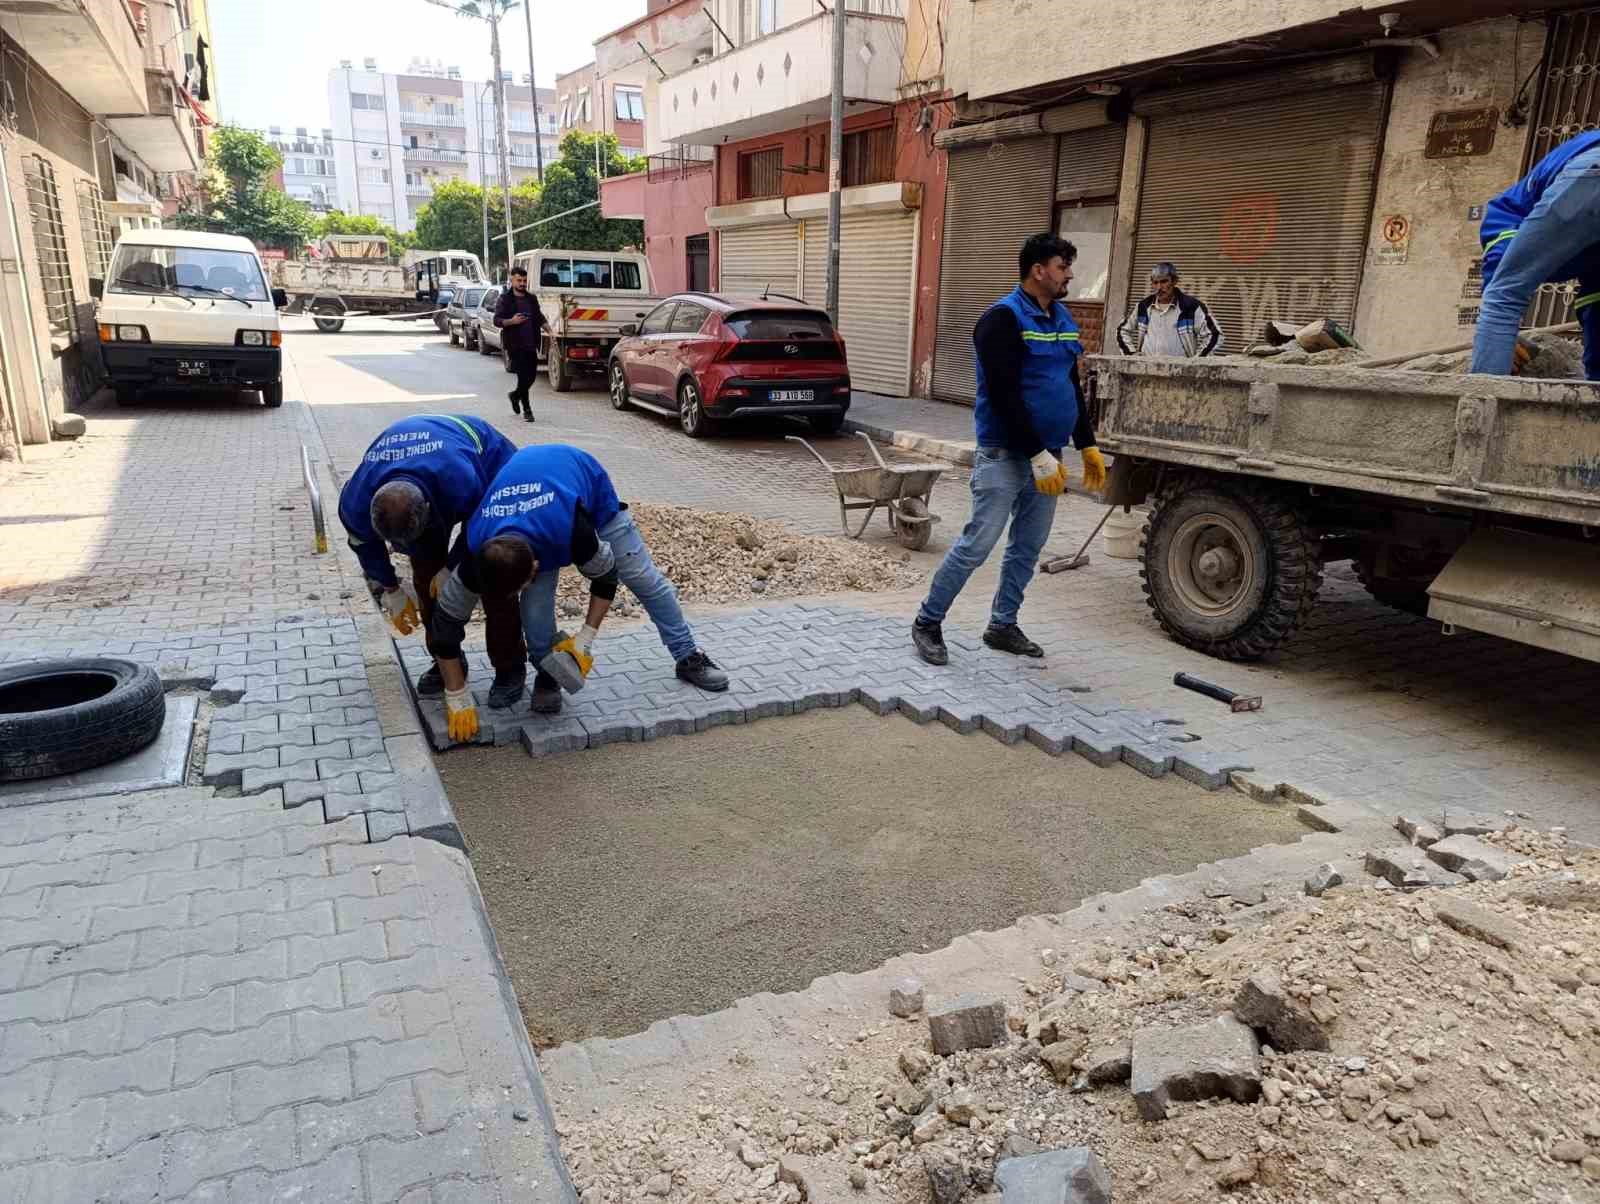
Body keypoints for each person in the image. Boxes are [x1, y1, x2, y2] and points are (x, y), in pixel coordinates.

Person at [426, 444, 729, 741]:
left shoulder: (573, 531)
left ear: (534, 565)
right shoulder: (478, 548)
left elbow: (607, 576)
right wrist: (456, 693)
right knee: (534, 612)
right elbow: (445, 627)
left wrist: (585, 639)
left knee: (643, 579)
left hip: (585, 492)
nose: (527, 588)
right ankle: (549, 673)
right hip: (532, 508)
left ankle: (688, 655)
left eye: (526, 581)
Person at [910, 233, 1107, 666]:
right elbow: (1002, 394)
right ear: (1038, 270)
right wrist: (1036, 454)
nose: (1069, 274)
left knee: (1028, 547)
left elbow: (1069, 385)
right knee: (977, 545)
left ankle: (1002, 624)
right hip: (1005, 454)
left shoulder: (1061, 318)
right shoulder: (1001, 319)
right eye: (1062, 266)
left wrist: (1087, 445)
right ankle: (927, 621)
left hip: (1049, 456)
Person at [337, 414, 528, 709]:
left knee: (494, 575)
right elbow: (363, 543)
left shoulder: (460, 479)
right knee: (426, 582)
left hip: (490, 466)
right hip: (429, 477)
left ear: (427, 509)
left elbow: (481, 525)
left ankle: (509, 669)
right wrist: (390, 587)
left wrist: (453, 565)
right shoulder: (356, 500)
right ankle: (446, 661)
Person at [1471, 129, 1600, 379]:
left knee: (1504, 295)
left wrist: (1499, 333)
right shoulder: (1513, 210)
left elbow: (1503, 277)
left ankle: (1481, 405)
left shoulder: (1514, 206)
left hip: (1589, 177)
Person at [1116, 261, 1223, 357]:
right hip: (1146, 372)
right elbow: (1122, 330)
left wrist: (1196, 362)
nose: (1159, 287)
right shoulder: (1143, 307)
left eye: (1164, 282)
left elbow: (1215, 334)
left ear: (1174, 281)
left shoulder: (1191, 307)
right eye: (1155, 283)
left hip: (1179, 374)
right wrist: (1131, 354)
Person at [495, 265, 546, 420]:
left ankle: (515, 395)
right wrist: (512, 321)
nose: (522, 283)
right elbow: (497, 320)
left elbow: (538, 317)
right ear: (512, 279)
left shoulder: (531, 298)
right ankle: (528, 410)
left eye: (524, 280)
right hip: (515, 345)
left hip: (531, 344)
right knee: (523, 377)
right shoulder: (505, 299)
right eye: (519, 280)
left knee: (531, 377)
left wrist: (549, 330)